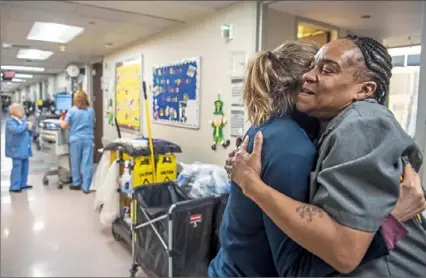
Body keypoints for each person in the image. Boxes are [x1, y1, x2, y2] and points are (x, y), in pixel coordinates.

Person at [209, 41, 425, 277]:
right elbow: (301, 268)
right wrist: (393, 222)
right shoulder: (289, 144)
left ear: (364, 90)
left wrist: (251, 185)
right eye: (312, 67)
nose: (309, 77)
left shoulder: (357, 123)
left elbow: (340, 252)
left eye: (327, 70)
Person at [60, 90, 95, 194]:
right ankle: (86, 187)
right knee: (87, 163)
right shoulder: (91, 111)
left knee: (75, 162)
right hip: (88, 138)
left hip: (75, 139)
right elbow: (92, 123)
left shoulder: (72, 111)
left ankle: (76, 184)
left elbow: (64, 125)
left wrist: (61, 121)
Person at [5, 103, 33, 193]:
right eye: (20, 109)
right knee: (17, 167)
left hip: (24, 148)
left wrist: (30, 128)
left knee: (25, 166)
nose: (23, 112)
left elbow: (27, 131)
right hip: (16, 149)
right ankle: (15, 186)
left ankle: (23, 184)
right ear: (14, 112)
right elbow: (16, 130)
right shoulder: (10, 122)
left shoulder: (22, 121)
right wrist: (26, 125)